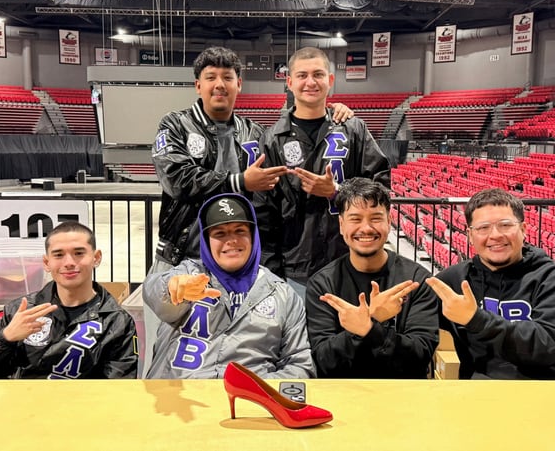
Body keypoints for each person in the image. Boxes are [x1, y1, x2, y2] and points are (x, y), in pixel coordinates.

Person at [151, 46, 354, 274]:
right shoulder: (175, 125)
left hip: (238, 260)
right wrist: (239, 182)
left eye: (228, 77)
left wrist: (332, 111)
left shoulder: (255, 133)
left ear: (239, 84)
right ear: (198, 85)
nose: (219, 84)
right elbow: (176, 179)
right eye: (210, 78)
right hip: (182, 257)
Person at [255, 47, 391, 296]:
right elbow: (264, 212)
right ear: (290, 82)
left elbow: (382, 188)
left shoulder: (353, 129)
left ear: (330, 80)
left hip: (350, 262)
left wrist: (337, 192)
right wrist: (272, 272)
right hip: (294, 269)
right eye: (302, 75)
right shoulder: (272, 139)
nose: (310, 82)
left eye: (318, 74)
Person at [425, 188, 555, 380]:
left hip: (554, 388)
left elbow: (547, 346)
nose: (496, 235)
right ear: (470, 236)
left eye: (505, 225)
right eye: (483, 228)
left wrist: (476, 320)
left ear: (523, 230)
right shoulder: (456, 280)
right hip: (485, 393)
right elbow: (413, 316)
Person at [143, 193, 314, 379]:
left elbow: (299, 364)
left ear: (253, 236)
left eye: (240, 230)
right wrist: (171, 288)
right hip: (181, 398)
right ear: (207, 241)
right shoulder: (188, 274)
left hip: (249, 403)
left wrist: (259, 391)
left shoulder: (283, 294)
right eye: (220, 233)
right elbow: (153, 291)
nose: (231, 240)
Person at [0, 222, 138, 379]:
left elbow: (119, 390)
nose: (69, 262)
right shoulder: (21, 311)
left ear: (96, 258)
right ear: (46, 263)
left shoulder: (117, 322)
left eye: (78, 253)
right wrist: (6, 339)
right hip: (22, 409)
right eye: (58, 255)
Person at [306, 178, 438, 378]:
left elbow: (419, 359)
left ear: (389, 222)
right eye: (355, 219)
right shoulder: (322, 284)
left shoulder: (416, 281)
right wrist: (373, 319)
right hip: (342, 394)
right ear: (341, 225)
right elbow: (325, 362)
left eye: (376, 218)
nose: (366, 228)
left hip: (403, 394)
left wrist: (367, 326)